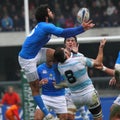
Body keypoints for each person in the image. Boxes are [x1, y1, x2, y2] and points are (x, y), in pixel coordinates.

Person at [18, 4, 95, 119]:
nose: (52, 12)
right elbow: (63, 33)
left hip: (36, 53)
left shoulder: (46, 25)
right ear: (46, 16)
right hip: (27, 59)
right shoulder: (45, 26)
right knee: (34, 89)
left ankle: (58, 82)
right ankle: (48, 115)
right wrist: (81, 28)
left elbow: (63, 34)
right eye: (49, 11)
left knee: (57, 55)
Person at [54, 39, 106, 120]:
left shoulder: (59, 67)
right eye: (65, 50)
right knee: (98, 117)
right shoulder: (80, 59)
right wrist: (101, 47)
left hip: (75, 97)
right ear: (65, 54)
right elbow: (98, 63)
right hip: (89, 94)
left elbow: (68, 62)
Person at [64, 37, 90, 120]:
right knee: (68, 117)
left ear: (76, 43)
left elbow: (85, 73)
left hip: (81, 90)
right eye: (68, 41)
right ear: (65, 43)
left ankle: (84, 114)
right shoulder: (60, 56)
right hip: (66, 91)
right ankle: (84, 114)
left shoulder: (80, 56)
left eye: (72, 41)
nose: (70, 42)